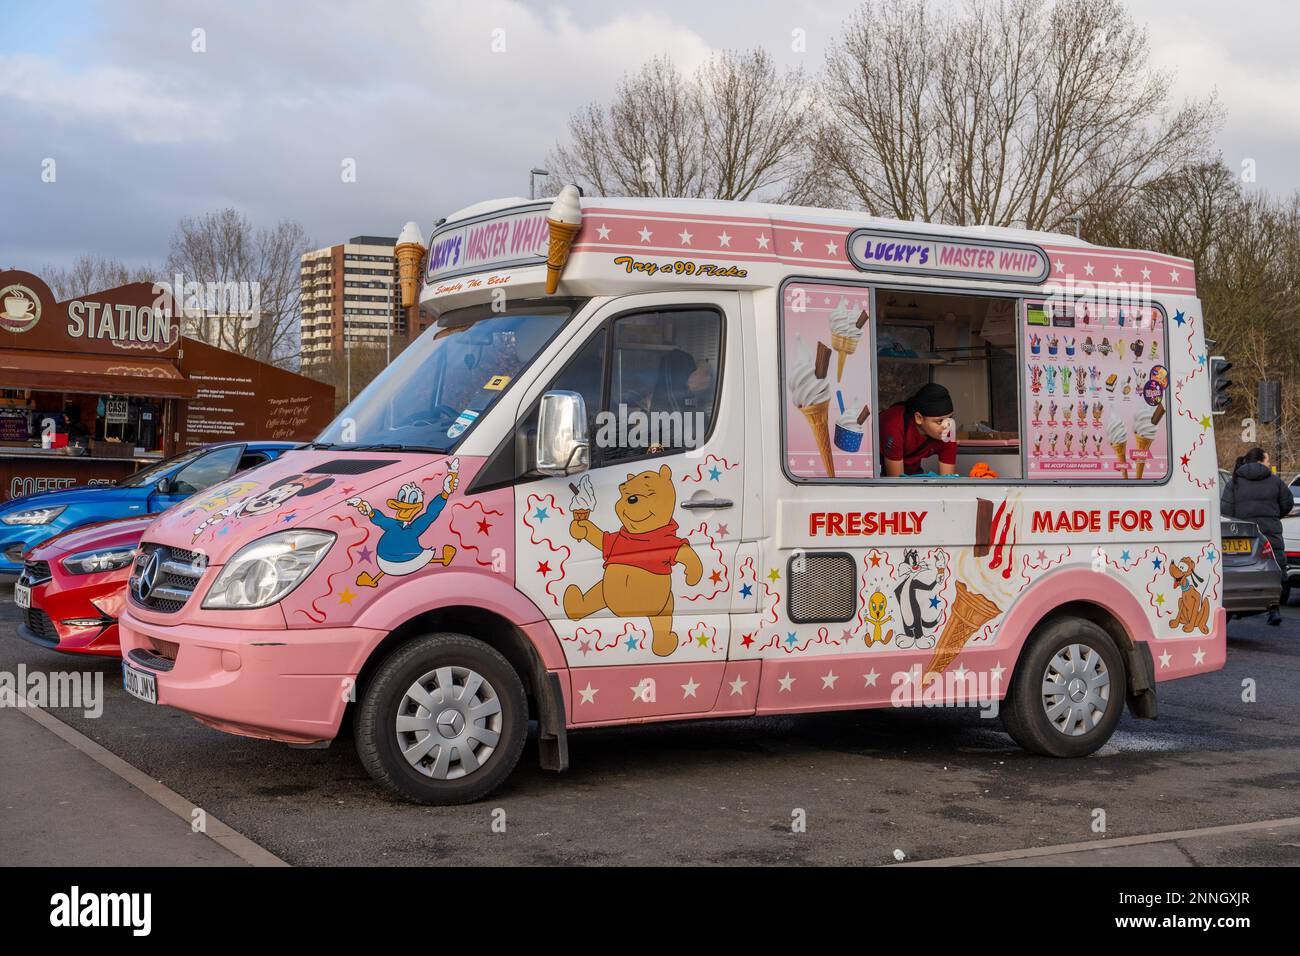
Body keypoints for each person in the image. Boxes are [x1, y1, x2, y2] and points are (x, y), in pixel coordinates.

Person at [1221, 447, 1294, 626]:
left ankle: (1238, 605)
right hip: (1271, 531)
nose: (1269, 464)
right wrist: (1274, 516)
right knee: (1275, 568)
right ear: (1260, 461)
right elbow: (1288, 503)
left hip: (1245, 533)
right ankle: (1273, 608)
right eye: (1268, 460)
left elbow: (1225, 510)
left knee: (1243, 569)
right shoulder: (1275, 481)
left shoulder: (1235, 481)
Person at [880, 382, 958, 476]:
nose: (947, 425)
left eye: (950, 418)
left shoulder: (947, 433)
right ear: (919, 418)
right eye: (939, 421)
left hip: (911, 469)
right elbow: (896, 483)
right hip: (878, 467)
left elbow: (948, 480)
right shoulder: (895, 426)